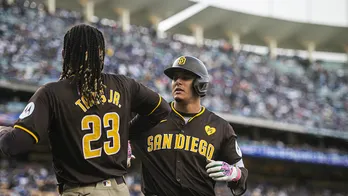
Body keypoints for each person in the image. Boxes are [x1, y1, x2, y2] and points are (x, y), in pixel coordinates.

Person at [0, 24, 170, 196]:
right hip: (120, 190)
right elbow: (162, 109)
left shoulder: (51, 93)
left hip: (81, 192)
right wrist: (125, 134)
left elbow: (15, 144)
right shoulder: (124, 85)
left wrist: (2, 131)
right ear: (101, 55)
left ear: (65, 54)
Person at [130, 55, 248, 196]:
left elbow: (242, 176)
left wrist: (235, 174)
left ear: (200, 84)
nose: (178, 82)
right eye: (175, 78)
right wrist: (125, 141)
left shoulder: (220, 127)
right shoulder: (152, 116)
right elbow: (117, 131)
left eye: (185, 77)